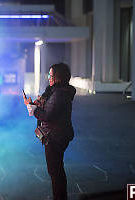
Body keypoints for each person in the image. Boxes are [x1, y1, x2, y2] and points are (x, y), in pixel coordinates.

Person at [23, 63, 76, 200]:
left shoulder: (59, 94)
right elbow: (48, 109)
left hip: (55, 136)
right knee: (56, 169)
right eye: (48, 75)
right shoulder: (56, 91)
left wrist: (34, 109)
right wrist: (33, 105)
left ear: (58, 77)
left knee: (55, 171)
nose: (49, 78)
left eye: (51, 75)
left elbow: (47, 115)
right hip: (56, 134)